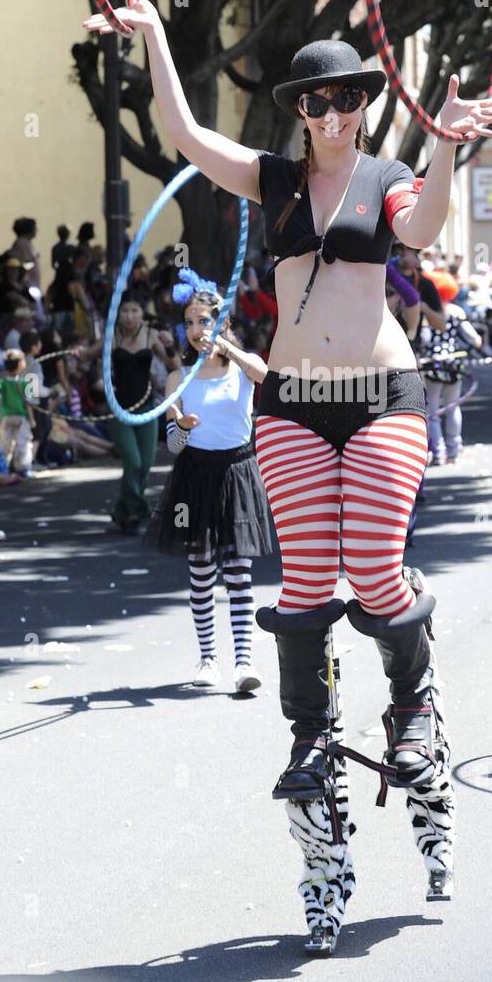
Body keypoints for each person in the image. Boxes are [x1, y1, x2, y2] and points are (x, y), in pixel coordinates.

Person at [84, 0, 492, 938]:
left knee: (374, 572)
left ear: (364, 103)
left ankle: (416, 704)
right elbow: (189, 138)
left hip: (380, 398)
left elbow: (423, 228)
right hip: (290, 406)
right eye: (314, 102)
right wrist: (153, 34)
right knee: (308, 590)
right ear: (301, 111)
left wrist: (443, 142)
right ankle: (313, 744)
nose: (330, 114)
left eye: (346, 98)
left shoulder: (387, 174)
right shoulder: (273, 182)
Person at [147, 268, 272, 693]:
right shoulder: (177, 379)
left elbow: (265, 375)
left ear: (222, 322)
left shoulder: (241, 367)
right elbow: (175, 446)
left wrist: (227, 349)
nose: (196, 329)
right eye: (189, 322)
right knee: (201, 572)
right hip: (194, 475)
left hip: (237, 472)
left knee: (238, 572)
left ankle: (243, 663)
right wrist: (181, 424)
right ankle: (208, 659)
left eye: (204, 320)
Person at [82, 292, 180, 533]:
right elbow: (86, 355)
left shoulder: (151, 334)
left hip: (146, 408)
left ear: (141, 312)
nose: (129, 316)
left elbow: (175, 366)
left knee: (145, 465)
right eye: (125, 311)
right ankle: (141, 512)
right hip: (120, 410)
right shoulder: (112, 336)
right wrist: (77, 353)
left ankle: (122, 513)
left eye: (134, 310)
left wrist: (169, 346)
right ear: (119, 313)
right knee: (132, 461)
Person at [418, 270, 482, 466]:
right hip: (454, 364)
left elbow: (423, 340)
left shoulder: (426, 312)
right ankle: (454, 448)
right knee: (453, 406)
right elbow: (474, 339)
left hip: (433, 364)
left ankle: (438, 451)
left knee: (433, 410)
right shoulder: (456, 311)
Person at [0, 350, 34, 475]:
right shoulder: (24, 383)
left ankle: (3, 467)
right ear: (19, 364)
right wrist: (32, 419)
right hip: (21, 417)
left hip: (6, 416)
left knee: (5, 442)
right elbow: (29, 403)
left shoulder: (2, 382)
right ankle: (22, 467)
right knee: (23, 442)